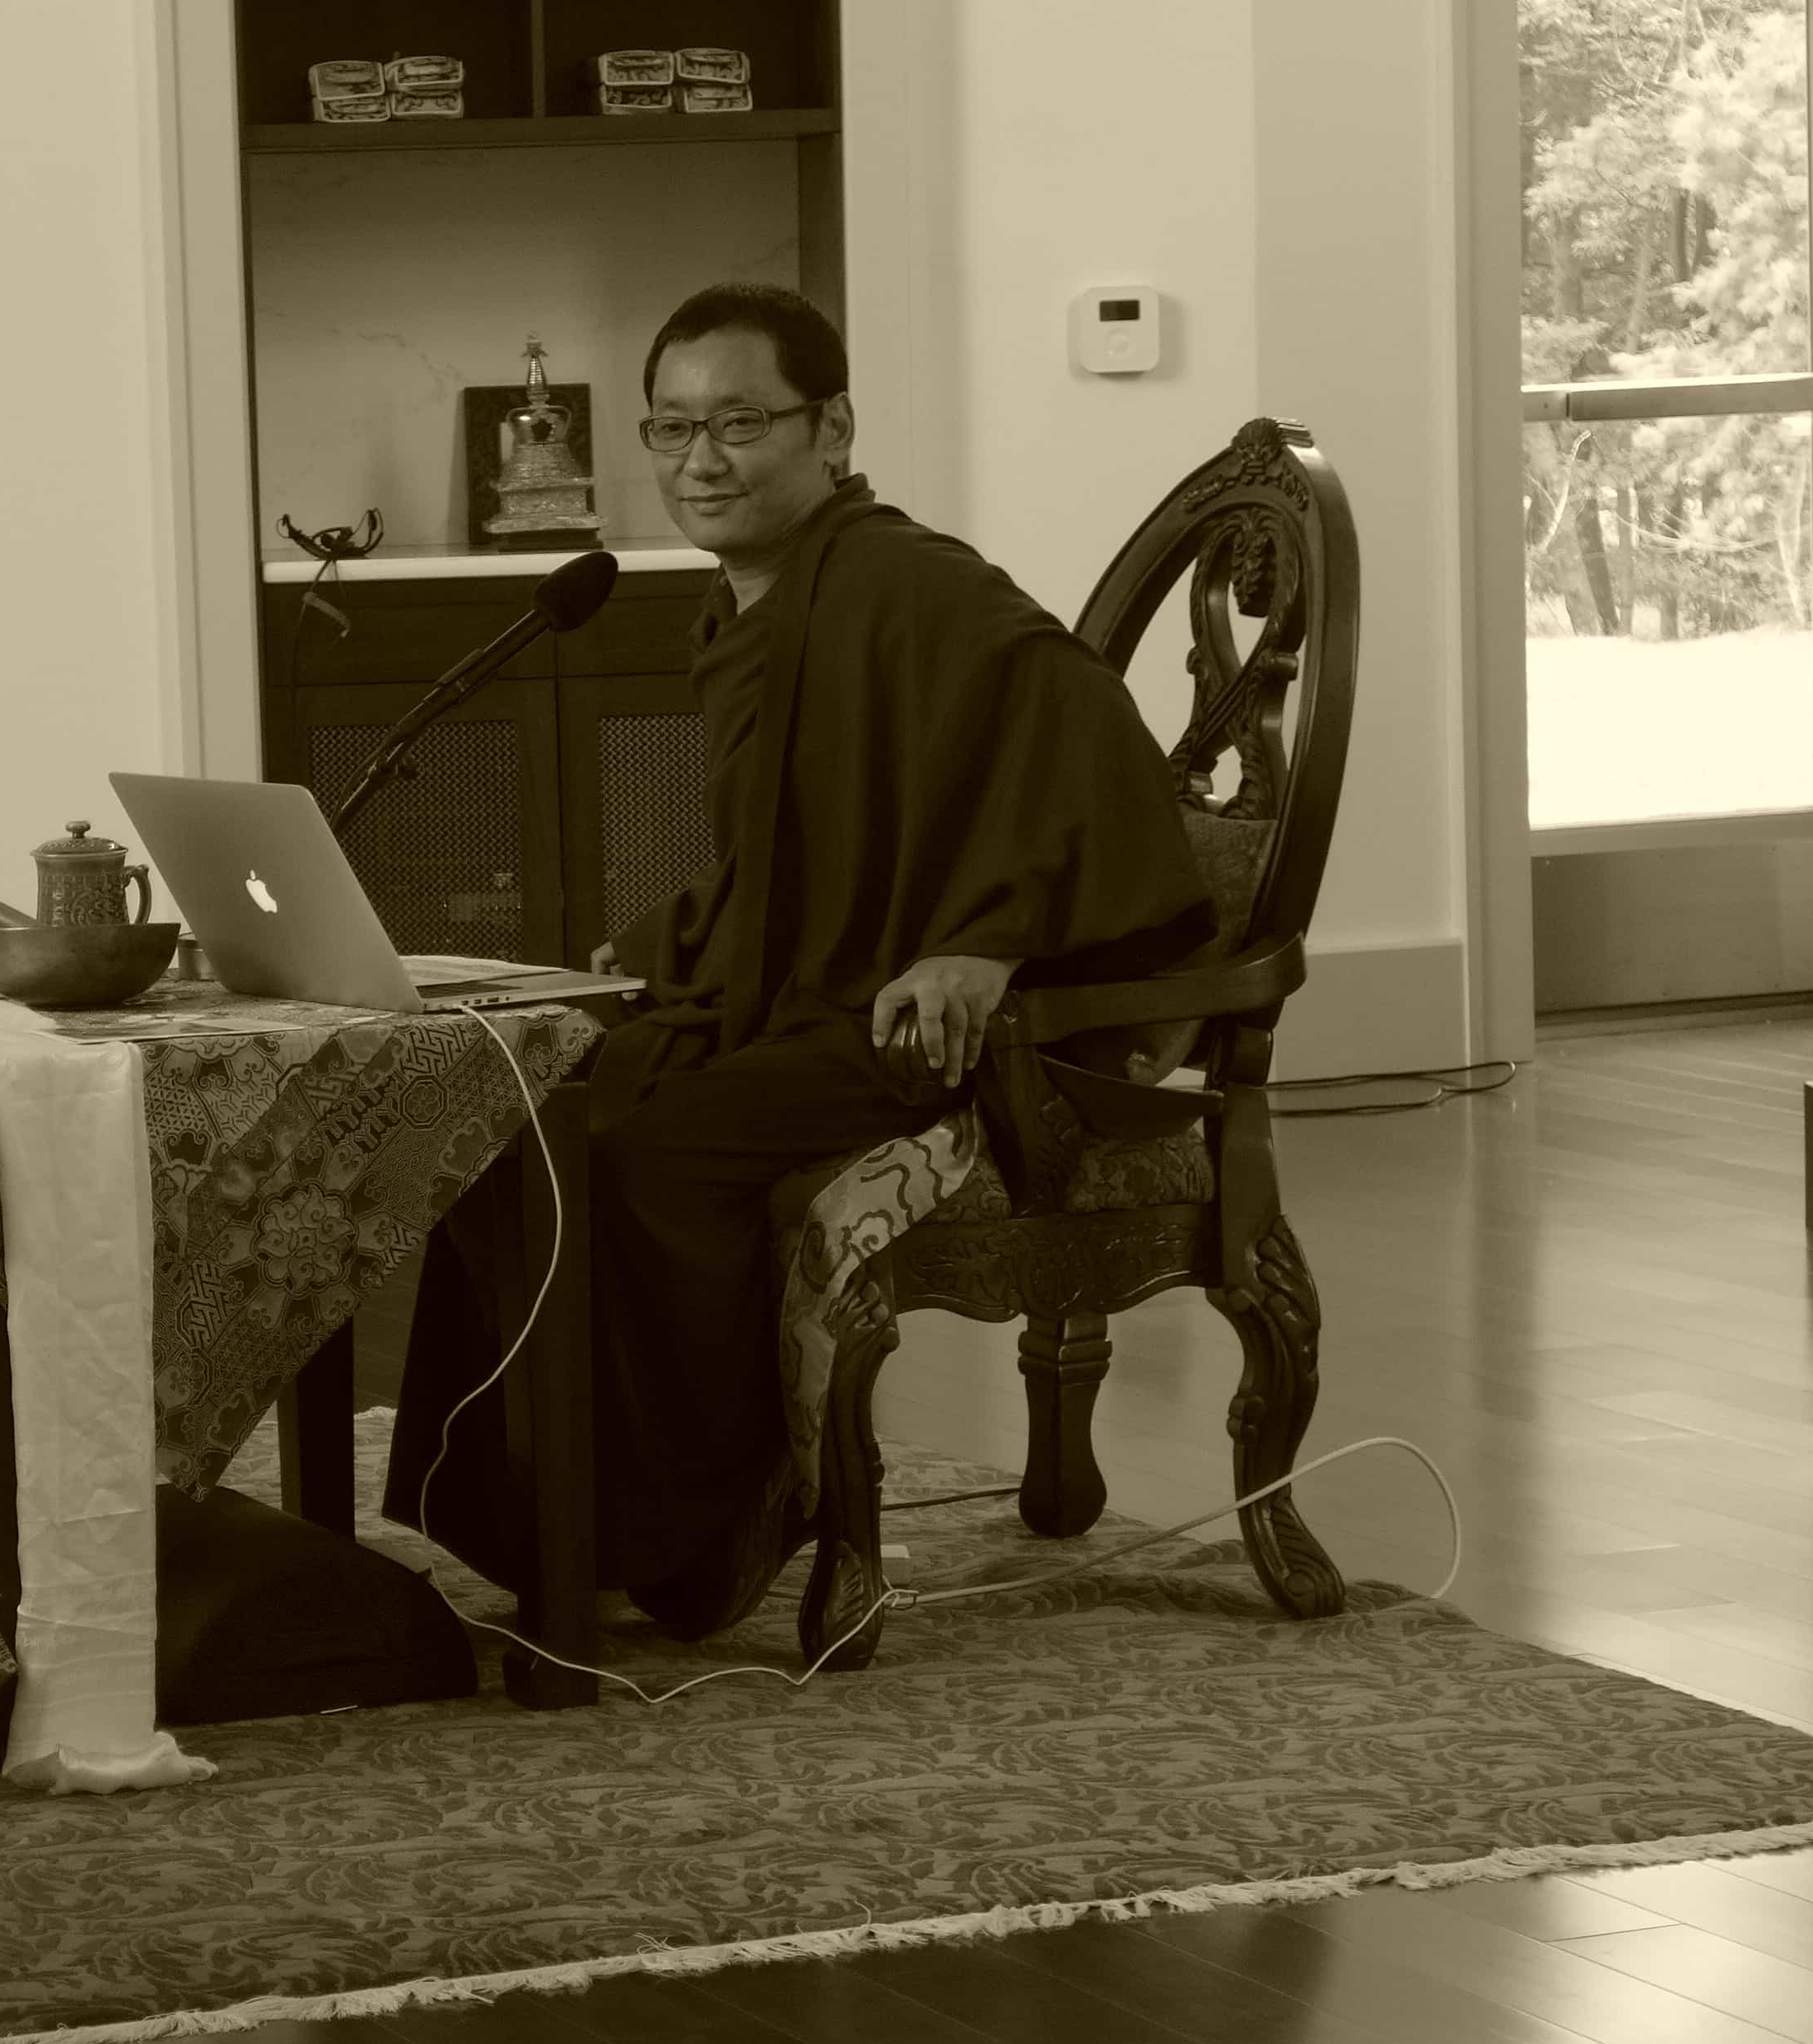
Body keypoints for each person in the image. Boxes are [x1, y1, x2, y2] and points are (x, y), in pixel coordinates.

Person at [382, 282, 1214, 1640]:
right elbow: (813, 857)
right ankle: (542, 1517)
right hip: (810, 992)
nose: (700, 461)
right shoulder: (759, 601)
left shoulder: (909, 582)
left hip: (906, 1028)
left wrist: (985, 940)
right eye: (670, 429)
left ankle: (715, 1520)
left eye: (741, 424)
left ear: (831, 427)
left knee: (646, 1153)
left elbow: (1085, 740)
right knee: (519, 1116)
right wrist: (666, 946)